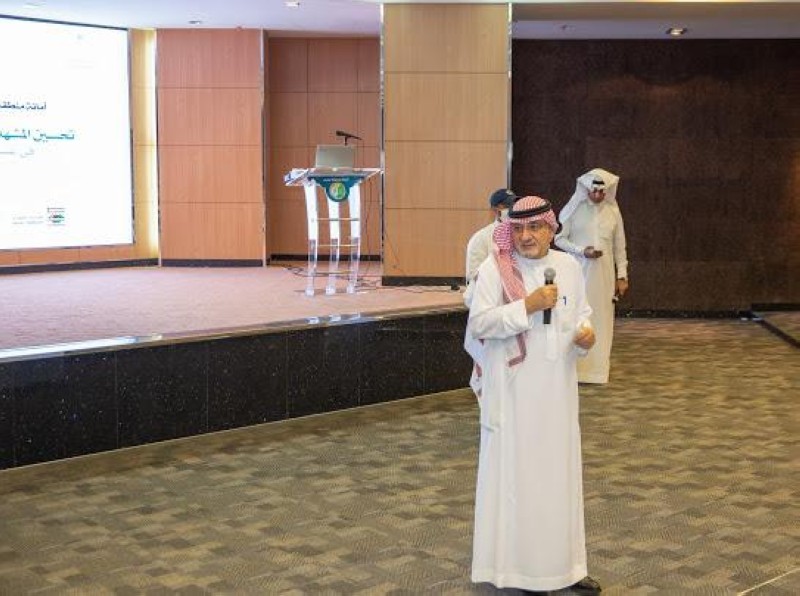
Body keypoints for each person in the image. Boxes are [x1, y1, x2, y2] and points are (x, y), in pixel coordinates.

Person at [466, 194, 602, 595]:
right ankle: (519, 572)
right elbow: (480, 324)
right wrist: (526, 305)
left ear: (551, 228)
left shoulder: (569, 267)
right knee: (519, 483)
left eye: (535, 227)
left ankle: (567, 567)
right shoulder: (494, 269)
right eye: (519, 229)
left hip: (557, 396)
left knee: (560, 480)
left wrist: (586, 337)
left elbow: (581, 317)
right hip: (514, 397)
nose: (526, 236)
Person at [555, 168, 628, 385]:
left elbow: (620, 246)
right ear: (586, 189)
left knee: (602, 322)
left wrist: (622, 276)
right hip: (577, 275)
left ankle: (598, 372)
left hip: (604, 279)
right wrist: (581, 251)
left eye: (602, 192)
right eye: (594, 191)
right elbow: (559, 239)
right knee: (576, 318)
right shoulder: (574, 209)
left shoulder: (613, 212)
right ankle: (575, 371)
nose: (598, 195)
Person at [465, 188, 518, 285]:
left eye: (514, 205)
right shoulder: (481, 238)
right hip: (488, 290)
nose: (513, 209)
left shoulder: (522, 235)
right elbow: (474, 275)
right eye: (508, 206)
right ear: (495, 211)